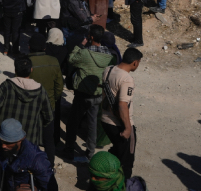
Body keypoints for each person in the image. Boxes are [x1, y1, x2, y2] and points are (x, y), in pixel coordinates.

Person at [0, 56, 54, 166]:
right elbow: (49, 117)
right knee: (26, 169)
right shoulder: (40, 90)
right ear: (31, 70)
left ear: (15, 70)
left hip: (7, 139)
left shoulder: (7, 86)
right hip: (29, 139)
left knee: (4, 167)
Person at [64, 25, 117, 162]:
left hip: (82, 94)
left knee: (72, 123)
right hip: (98, 94)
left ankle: (69, 150)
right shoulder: (109, 56)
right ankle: (90, 153)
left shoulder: (85, 53)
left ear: (90, 37)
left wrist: (80, 46)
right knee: (92, 124)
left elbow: (71, 59)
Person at [100, 47, 143, 179]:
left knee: (117, 150)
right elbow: (122, 104)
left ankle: (108, 176)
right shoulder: (126, 79)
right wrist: (128, 128)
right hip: (119, 123)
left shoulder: (109, 69)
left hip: (105, 120)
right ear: (135, 63)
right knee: (126, 162)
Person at [27, 34, 63, 162]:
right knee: (49, 139)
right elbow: (59, 86)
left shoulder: (25, 62)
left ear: (29, 47)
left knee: (31, 138)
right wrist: (53, 99)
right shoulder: (54, 61)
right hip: (49, 105)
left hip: (30, 107)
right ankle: (49, 165)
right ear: (44, 48)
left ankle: (32, 164)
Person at [0, 119, 58, 191]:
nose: (3, 146)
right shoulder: (2, 147)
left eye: (8, 142)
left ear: (20, 140)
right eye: (1, 140)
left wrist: (36, 190)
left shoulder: (36, 159)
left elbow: (51, 188)